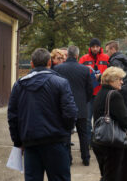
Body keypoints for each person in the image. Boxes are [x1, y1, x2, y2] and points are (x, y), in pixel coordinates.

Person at [8, 48, 78, 181]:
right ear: (49, 63)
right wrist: (66, 132)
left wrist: (18, 141)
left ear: (31, 64)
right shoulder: (61, 82)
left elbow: (13, 116)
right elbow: (70, 113)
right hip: (56, 141)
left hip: (31, 142)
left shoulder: (19, 85)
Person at [92, 67, 127, 181]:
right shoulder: (114, 95)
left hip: (99, 139)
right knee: (112, 175)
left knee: (105, 174)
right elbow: (124, 119)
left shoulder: (100, 93)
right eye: (120, 79)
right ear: (111, 80)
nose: (122, 82)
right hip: (111, 142)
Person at [54, 46, 93, 166]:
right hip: (81, 106)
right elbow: (89, 90)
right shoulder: (85, 70)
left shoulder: (58, 68)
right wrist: (84, 101)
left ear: (67, 55)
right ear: (77, 56)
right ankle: (85, 158)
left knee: (66, 134)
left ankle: (68, 159)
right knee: (83, 134)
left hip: (64, 106)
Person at [79, 38, 109, 147]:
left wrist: (100, 76)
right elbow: (79, 73)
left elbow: (110, 73)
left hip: (101, 94)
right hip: (88, 94)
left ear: (100, 47)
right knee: (87, 119)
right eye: (93, 47)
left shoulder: (106, 58)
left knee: (100, 118)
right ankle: (88, 141)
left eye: (97, 46)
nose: (95, 49)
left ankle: (98, 139)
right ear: (90, 47)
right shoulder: (83, 59)